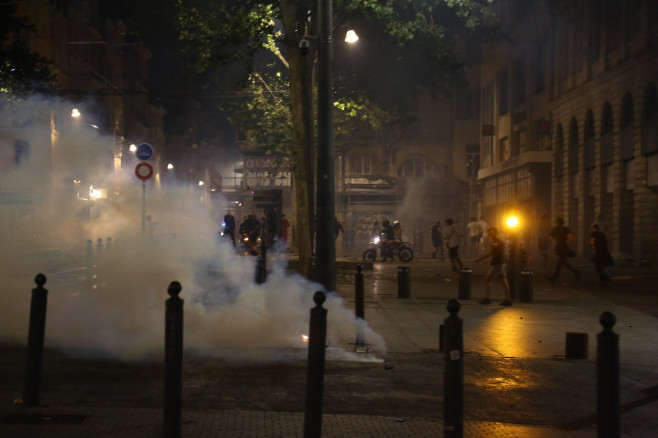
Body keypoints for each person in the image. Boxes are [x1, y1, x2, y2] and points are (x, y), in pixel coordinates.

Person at [476, 227, 512, 306]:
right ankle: (508, 299)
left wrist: (480, 259)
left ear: (495, 232)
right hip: (500, 263)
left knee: (488, 280)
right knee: (503, 281)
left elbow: (492, 253)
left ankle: (487, 298)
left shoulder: (497, 241)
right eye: (489, 232)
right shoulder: (495, 241)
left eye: (491, 232)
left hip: (498, 264)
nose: (490, 233)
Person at [548, 217, 581, 284]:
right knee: (561, 263)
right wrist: (566, 239)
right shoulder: (565, 228)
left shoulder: (555, 229)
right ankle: (554, 278)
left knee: (561, 263)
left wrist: (556, 237)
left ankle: (575, 271)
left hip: (559, 247)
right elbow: (571, 236)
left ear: (557, 222)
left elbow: (551, 238)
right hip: (564, 246)